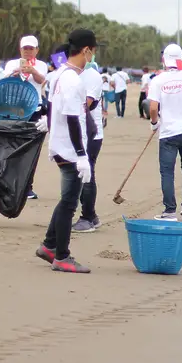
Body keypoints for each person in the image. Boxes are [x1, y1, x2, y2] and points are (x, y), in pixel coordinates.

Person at [35, 30, 98, 274]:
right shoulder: (72, 80)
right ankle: (62, 256)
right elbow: (73, 119)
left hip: (61, 145)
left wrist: (49, 126)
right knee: (69, 203)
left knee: (67, 200)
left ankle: (50, 246)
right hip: (70, 149)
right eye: (93, 50)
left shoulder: (60, 75)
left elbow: (51, 108)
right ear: (86, 51)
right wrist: (82, 156)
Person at [148, 44, 182, 220]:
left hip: (168, 132)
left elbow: (153, 108)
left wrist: (154, 123)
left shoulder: (157, 80)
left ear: (164, 59)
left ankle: (169, 210)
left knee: (167, 172)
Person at [3, 36, 48, 200]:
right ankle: (9, 185)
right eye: (25, 48)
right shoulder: (11, 64)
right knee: (13, 147)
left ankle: (27, 186)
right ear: (20, 49)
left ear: (37, 50)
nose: (28, 51)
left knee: (31, 150)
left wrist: (33, 71)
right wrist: (16, 74)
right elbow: (4, 82)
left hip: (34, 110)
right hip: (14, 110)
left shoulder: (41, 65)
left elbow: (44, 81)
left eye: (31, 48)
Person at [74, 46, 106, 233]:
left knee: (87, 172)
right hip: (78, 131)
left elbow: (87, 104)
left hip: (91, 134)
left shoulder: (92, 75)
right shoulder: (73, 75)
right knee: (82, 172)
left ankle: (87, 217)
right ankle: (91, 216)